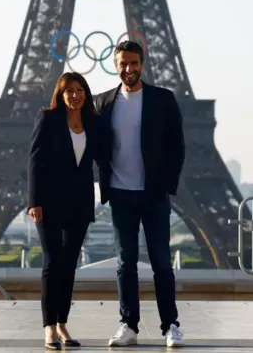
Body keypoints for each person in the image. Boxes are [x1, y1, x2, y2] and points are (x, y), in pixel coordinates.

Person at [94, 40, 186, 348]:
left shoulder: (162, 99)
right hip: (120, 193)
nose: (129, 69)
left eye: (134, 63)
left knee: (161, 262)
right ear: (115, 64)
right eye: (123, 63)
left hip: (154, 193)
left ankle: (170, 324)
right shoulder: (103, 102)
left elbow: (177, 146)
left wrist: (166, 185)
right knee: (126, 262)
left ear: (142, 64)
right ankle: (128, 324)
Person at [27, 72, 100, 350]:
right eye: (69, 90)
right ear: (60, 94)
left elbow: (103, 159)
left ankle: (62, 324)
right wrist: (34, 201)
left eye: (80, 89)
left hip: (80, 202)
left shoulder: (93, 123)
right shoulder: (48, 119)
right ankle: (48, 327)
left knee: (69, 265)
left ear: (86, 93)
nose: (75, 94)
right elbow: (34, 160)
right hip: (49, 201)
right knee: (52, 261)